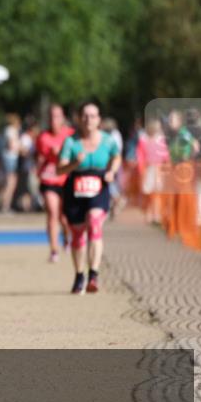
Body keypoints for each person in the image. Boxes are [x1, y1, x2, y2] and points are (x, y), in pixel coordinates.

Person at [57, 101, 121, 294]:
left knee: (94, 222)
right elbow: (60, 168)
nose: (88, 120)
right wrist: (74, 163)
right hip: (75, 187)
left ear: (99, 119)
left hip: (99, 185)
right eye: (85, 115)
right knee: (77, 233)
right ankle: (79, 275)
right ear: (79, 118)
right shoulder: (71, 142)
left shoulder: (108, 140)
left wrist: (112, 171)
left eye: (93, 116)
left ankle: (93, 273)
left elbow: (116, 157)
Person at [36, 104, 75, 263]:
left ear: (63, 118)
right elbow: (42, 157)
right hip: (49, 179)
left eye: (57, 116)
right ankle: (54, 250)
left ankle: (67, 238)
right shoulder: (43, 137)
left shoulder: (71, 135)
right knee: (52, 213)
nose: (54, 120)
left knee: (64, 218)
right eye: (51, 116)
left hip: (67, 180)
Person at [137, 118, 169, 225]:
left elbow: (165, 154)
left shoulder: (160, 139)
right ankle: (149, 214)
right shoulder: (144, 139)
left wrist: (166, 164)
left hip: (158, 169)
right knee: (149, 193)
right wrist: (142, 168)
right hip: (149, 169)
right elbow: (140, 155)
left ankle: (157, 215)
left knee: (157, 193)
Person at [0, 114, 21, 212]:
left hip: (9, 158)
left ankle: (2, 204)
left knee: (8, 183)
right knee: (10, 183)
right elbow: (11, 145)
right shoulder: (11, 130)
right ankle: (5, 206)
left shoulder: (7, 130)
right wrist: (21, 148)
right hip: (11, 158)